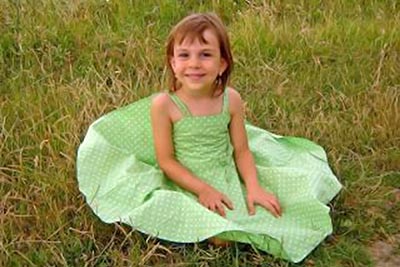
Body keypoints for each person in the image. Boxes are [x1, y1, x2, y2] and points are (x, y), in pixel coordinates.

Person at [77, 13, 342, 263]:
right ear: (173, 63)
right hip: (187, 179)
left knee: (279, 205)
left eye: (205, 55)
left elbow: (241, 151)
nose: (194, 63)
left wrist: (253, 186)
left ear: (221, 63)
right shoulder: (164, 105)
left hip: (226, 173)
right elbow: (166, 161)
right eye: (184, 55)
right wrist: (202, 189)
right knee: (218, 234)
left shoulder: (231, 99)